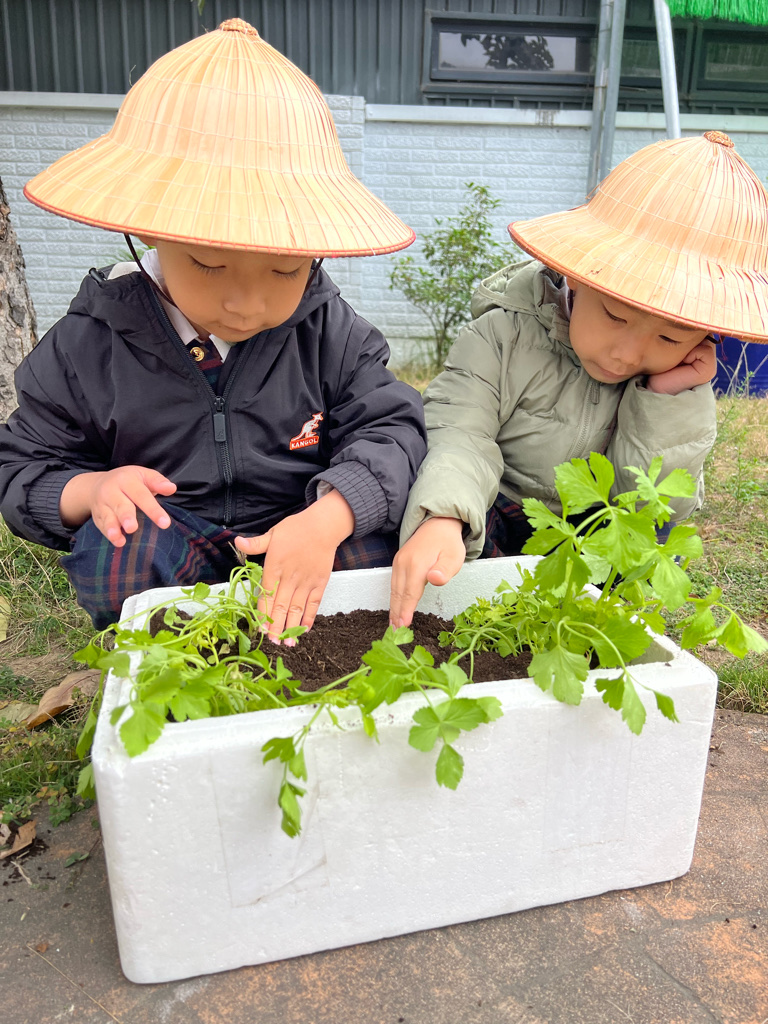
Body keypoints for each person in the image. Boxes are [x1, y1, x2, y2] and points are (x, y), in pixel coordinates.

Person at [0, 19, 427, 637]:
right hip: (176, 536)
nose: (247, 304)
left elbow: (393, 429)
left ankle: (303, 641)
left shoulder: (329, 331)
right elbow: (22, 464)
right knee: (119, 557)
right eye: (209, 264)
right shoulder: (89, 342)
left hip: (297, 529)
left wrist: (331, 515)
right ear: (148, 230)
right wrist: (91, 491)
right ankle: (183, 656)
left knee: (381, 550)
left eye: (284, 270)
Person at [390, 130, 768, 628]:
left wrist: (665, 401)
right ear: (576, 275)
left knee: (652, 545)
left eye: (670, 338)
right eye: (614, 316)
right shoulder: (501, 334)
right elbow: (461, 432)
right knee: (416, 524)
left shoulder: (678, 382)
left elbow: (659, 506)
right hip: (495, 505)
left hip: (591, 530)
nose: (626, 354)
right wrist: (447, 514)